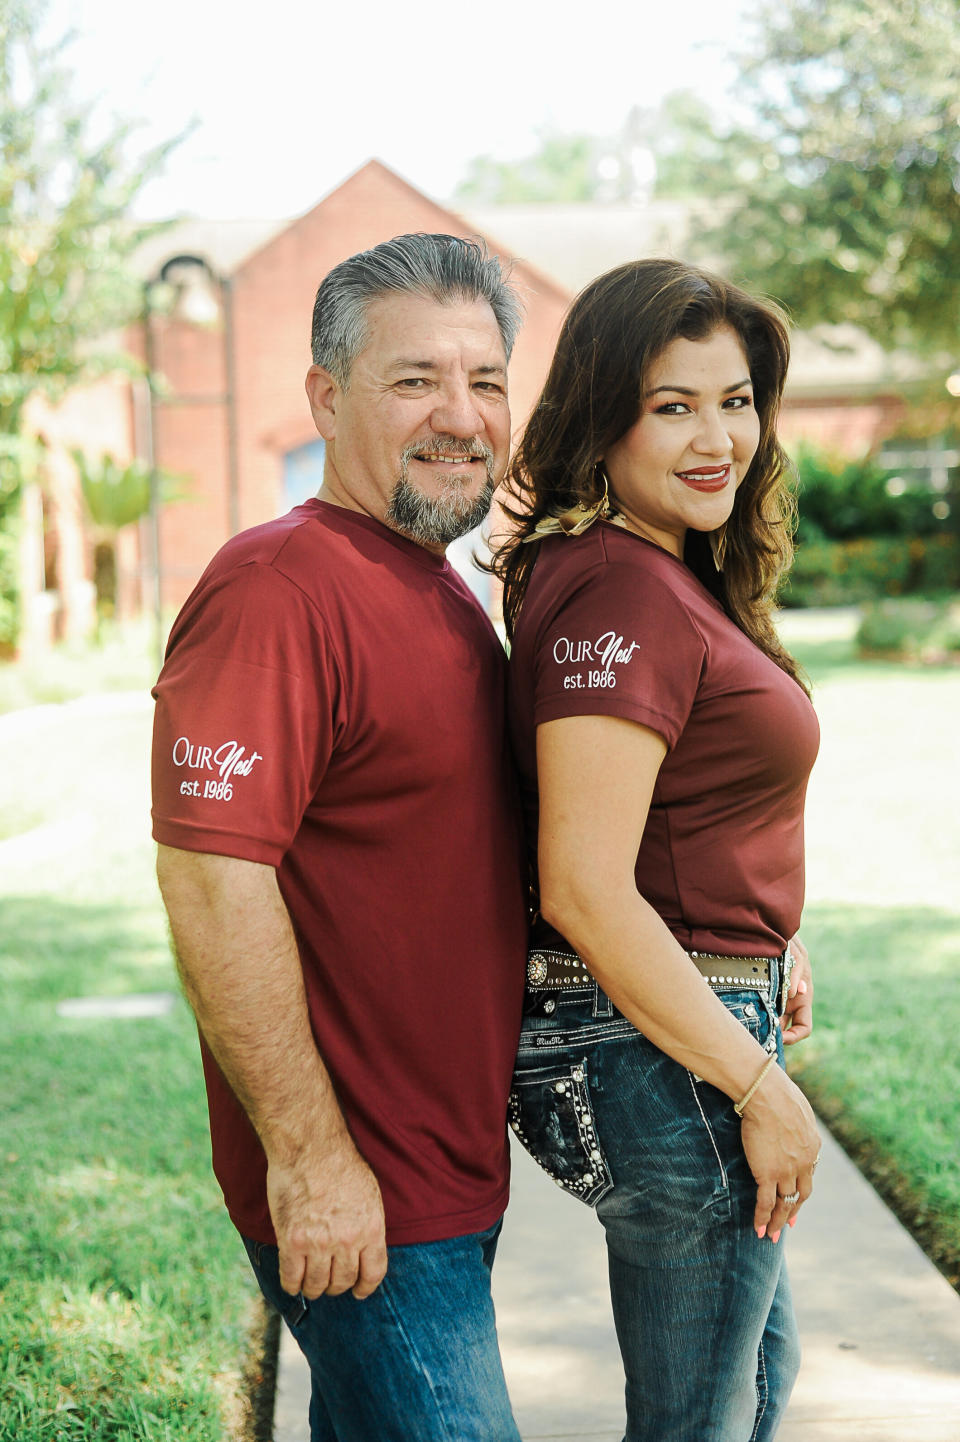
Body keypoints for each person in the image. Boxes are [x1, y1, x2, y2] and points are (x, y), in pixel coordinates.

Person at [151, 233, 529, 1442]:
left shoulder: (441, 586)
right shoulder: (276, 588)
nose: (461, 415)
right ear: (325, 397)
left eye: (487, 381)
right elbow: (213, 880)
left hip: (442, 1170)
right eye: (416, 378)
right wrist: (313, 1164)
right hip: (363, 1186)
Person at [491, 258, 822, 1442]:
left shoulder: (646, 574)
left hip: (676, 1021)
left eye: (734, 401)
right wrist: (754, 1081)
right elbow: (583, 880)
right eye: (672, 404)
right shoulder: (624, 594)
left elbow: (686, 809)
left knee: (751, 1391)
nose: (715, 436)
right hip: (663, 1052)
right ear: (604, 416)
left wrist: (772, 938)